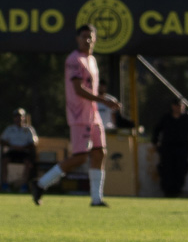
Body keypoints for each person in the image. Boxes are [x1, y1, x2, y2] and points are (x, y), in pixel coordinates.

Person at [31, 24, 123, 206]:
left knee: (99, 153)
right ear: (77, 39)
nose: (87, 40)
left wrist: (101, 102)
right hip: (80, 115)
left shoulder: (92, 60)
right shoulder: (74, 59)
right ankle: (41, 184)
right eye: (84, 36)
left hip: (94, 114)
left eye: (91, 36)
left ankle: (96, 199)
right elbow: (78, 89)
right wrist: (104, 101)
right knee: (80, 157)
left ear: (95, 39)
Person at [0, 108, 38, 191]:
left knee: (28, 162)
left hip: (24, 152)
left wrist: (23, 147)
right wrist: (12, 146)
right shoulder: (9, 129)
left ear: (24, 118)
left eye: (20, 116)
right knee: (4, 160)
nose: (18, 119)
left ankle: (24, 185)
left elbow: (34, 143)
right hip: (13, 151)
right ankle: (5, 184)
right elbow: (1, 140)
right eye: (16, 117)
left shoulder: (28, 129)